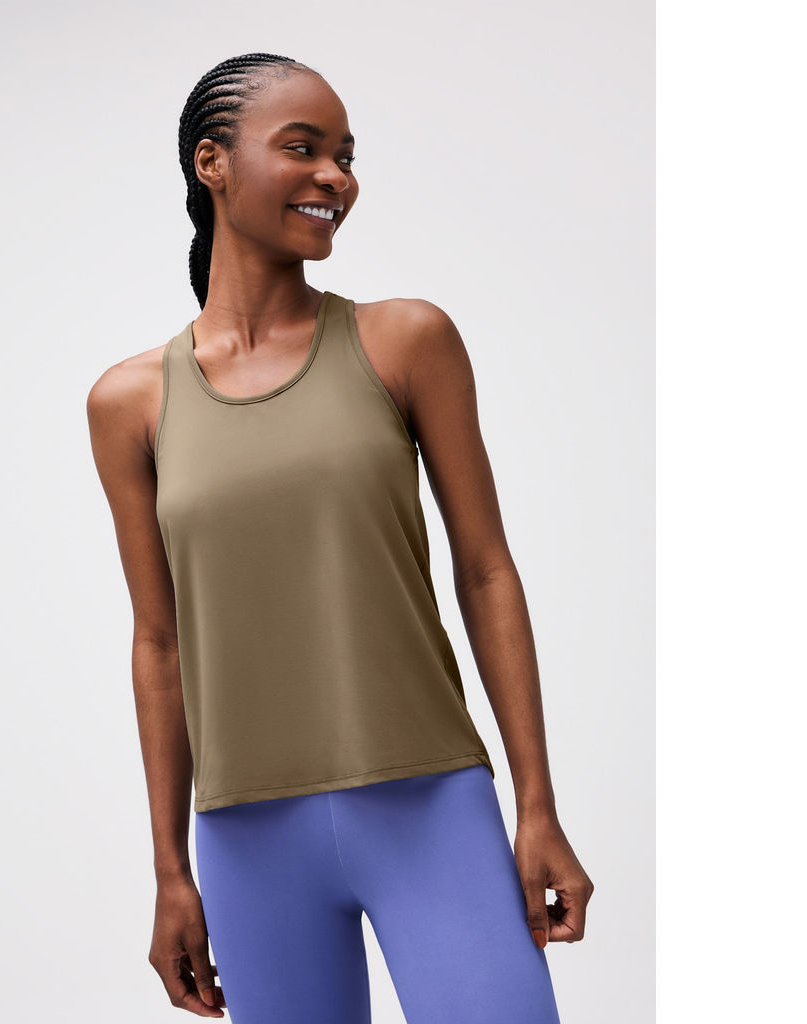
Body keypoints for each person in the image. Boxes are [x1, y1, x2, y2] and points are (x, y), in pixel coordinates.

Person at [87, 52, 594, 1023]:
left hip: (430, 807)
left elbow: (486, 570)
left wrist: (536, 803)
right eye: (303, 148)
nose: (335, 178)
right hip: (245, 839)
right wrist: (169, 870)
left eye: (346, 157)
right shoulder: (130, 403)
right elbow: (158, 639)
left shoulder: (403, 341)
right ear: (211, 163)